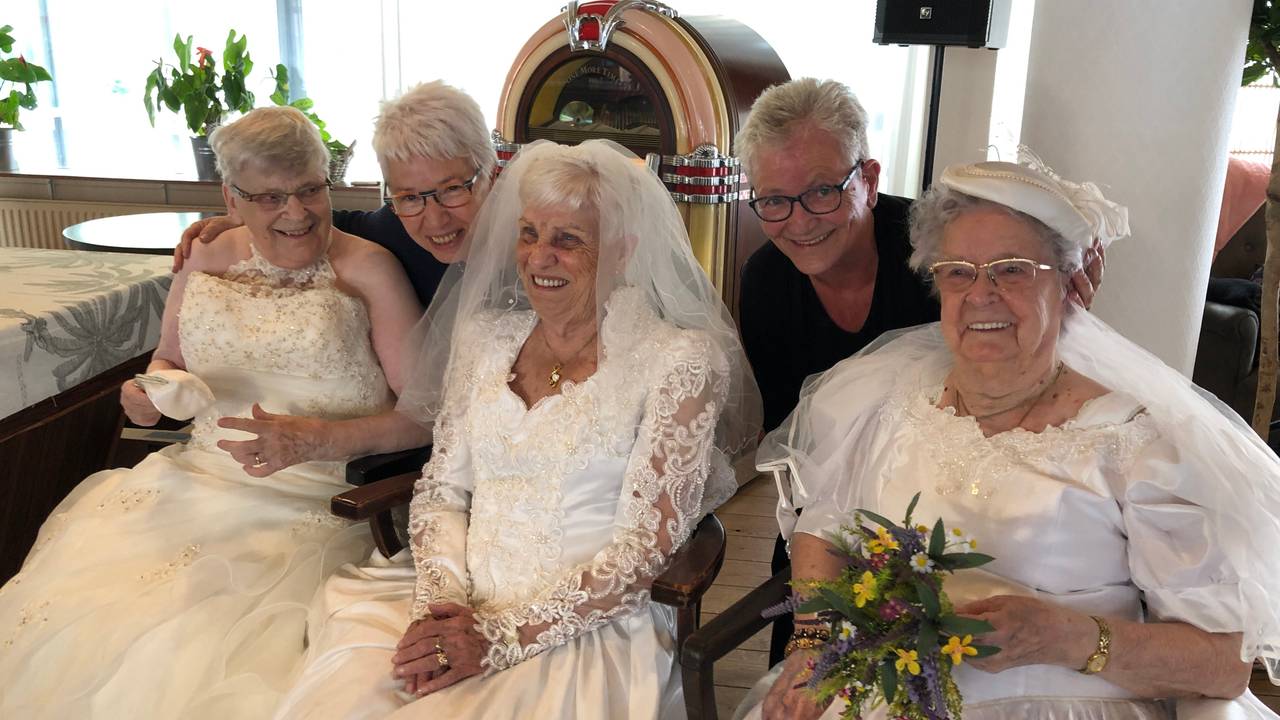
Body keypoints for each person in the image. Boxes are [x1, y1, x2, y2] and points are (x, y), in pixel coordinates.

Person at [742, 156, 1280, 719]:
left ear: (1069, 285)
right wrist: (813, 641)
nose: (982, 294)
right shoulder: (885, 400)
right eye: (958, 272)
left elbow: (1222, 666)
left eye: (1013, 269)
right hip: (887, 694)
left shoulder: (1136, 446)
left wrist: (1069, 638)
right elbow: (823, 527)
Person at [271, 139, 762, 720]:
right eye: (529, 233)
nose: (538, 257)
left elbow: (646, 548)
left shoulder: (678, 361)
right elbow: (442, 491)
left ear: (623, 250)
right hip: (454, 599)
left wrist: (497, 639)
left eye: (568, 240)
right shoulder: (484, 339)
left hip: (583, 625)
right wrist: (440, 609)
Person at [0, 106, 424, 718]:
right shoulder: (203, 257)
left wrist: (320, 440)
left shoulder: (369, 269)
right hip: (194, 484)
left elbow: (424, 416)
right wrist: (149, 395)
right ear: (231, 197)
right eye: (270, 197)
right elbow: (168, 360)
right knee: (102, 627)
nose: (296, 212)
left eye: (310, 189)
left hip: (321, 502)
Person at [733, 77, 1103, 664]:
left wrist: (1061, 311)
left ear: (869, 178)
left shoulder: (945, 257)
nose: (799, 221)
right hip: (830, 517)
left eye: (823, 191)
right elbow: (797, 442)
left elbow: (1014, 371)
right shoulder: (764, 283)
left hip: (960, 507)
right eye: (774, 200)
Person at [171, 81, 496, 471]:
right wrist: (247, 217)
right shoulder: (390, 228)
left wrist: (324, 439)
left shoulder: (538, 255)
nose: (436, 218)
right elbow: (312, 223)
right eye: (409, 197)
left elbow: (426, 413)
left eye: (454, 189)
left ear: (491, 174)